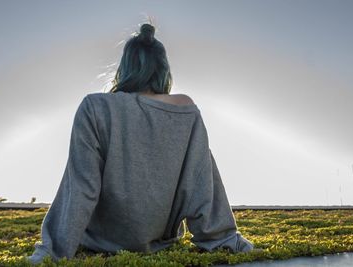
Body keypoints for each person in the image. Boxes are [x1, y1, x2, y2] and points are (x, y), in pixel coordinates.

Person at [28, 22, 253, 265]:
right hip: (159, 245)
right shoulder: (186, 110)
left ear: (125, 67)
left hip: (98, 243)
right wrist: (222, 238)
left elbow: (82, 187)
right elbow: (202, 187)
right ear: (163, 68)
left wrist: (52, 253)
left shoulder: (95, 107)